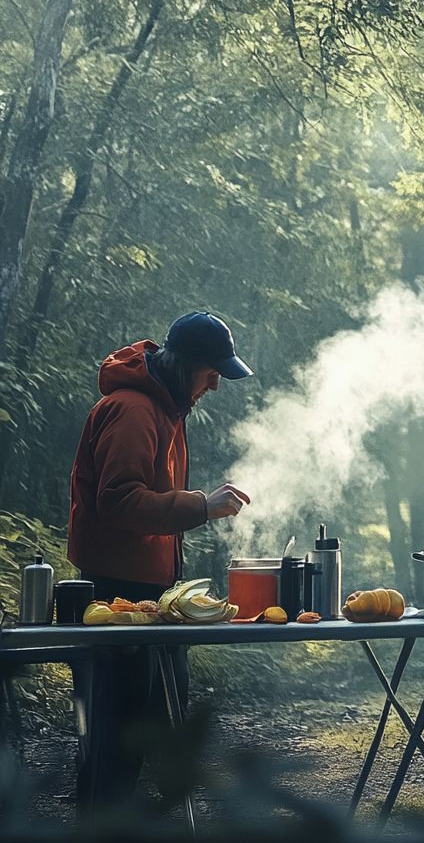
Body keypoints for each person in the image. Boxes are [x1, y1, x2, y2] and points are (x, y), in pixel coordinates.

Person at [67, 311, 253, 812]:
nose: (214, 386)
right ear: (186, 364)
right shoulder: (132, 410)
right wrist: (201, 505)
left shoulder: (165, 409)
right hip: (118, 598)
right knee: (117, 736)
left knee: (165, 725)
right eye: (211, 373)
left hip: (153, 596)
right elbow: (119, 500)